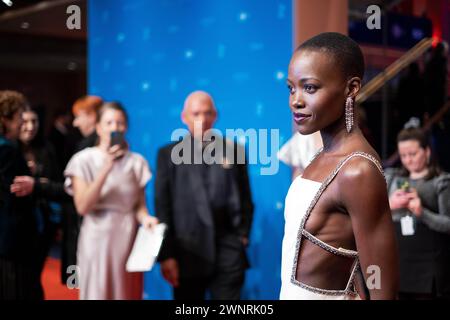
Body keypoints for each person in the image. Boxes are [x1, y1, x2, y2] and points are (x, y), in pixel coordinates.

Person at [280, 32, 398, 300]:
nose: (295, 100)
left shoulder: (358, 170)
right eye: (291, 88)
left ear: (351, 88)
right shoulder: (320, 156)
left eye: (310, 87)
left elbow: (381, 283)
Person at [155, 91, 254, 300]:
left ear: (215, 115)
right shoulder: (167, 155)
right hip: (186, 253)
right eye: (196, 113)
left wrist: (242, 235)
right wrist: (167, 255)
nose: (202, 119)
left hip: (228, 250)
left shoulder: (234, 150)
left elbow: (245, 197)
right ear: (184, 117)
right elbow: (163, 208)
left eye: (207, 113)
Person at [64, 101, 158, 300]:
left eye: (120, 123)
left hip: (128, 237)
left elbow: (139, 206)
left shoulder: (137, 162)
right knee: (97, 292)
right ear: (98, 127)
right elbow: (82, 206)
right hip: (97, 237)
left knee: (126, 292)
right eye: (109, 123)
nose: (115, 127)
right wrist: (106, 168)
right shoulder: (83, 160)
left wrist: (146, 219)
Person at [386, 127, 450, 299]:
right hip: (398, 258)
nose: (408, 160)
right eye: (403, 155)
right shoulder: (392, 177)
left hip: (429, 262)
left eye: (413, 154)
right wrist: (389, 205)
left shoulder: (441, 181)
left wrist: (422, 212)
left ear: (427, 151)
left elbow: (448, 224)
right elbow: (372, 215)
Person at [10, 108, 71, 280]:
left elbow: (60, 185)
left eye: (34, 121)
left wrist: (39, 185)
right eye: (25, 121)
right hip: (15, 225)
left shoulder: (46, 148)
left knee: (34, 276)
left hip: (43, 223)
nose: (30, 127)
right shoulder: (9, 149)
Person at [0, 90, 42, 300]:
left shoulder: (10, 148)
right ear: (5, 120)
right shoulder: (7, 151)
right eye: (18, 118)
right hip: (13, 242)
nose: (22, 124)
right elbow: (12, 196)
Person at [60, 95, 103, 284]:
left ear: (93, 116)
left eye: (79, 116)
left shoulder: (86, 150)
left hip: (92, 225)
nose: (76, 123)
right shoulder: (84, 148)